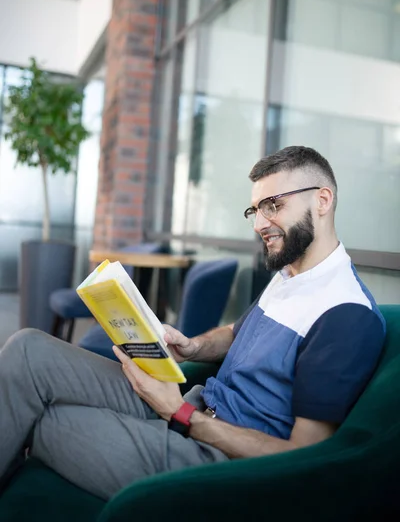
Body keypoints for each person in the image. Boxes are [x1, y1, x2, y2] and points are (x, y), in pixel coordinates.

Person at [0, 146, 385, 501]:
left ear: (322, 199)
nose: (259, 224)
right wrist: (192, 347)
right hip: (194, 405)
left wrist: (180, 415)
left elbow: (304, 458)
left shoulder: (345, 313)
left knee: (50, 422)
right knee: (29, 349)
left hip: (215, 459)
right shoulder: (290, 274)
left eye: (273, 205)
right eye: (255, 210)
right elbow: (238, 333)